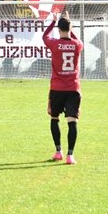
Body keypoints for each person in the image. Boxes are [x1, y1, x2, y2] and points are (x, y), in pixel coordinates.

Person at [43, 13, 83, 165]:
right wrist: (69, 25)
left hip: (57, 88)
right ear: (71, 28)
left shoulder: (54, 44)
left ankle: (58, 151)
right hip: (73, 88)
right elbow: (77, 39)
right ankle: (70, 155)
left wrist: (53, 22)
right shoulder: (78, 45)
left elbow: (45, 36)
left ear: (59, 29)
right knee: (72, 121)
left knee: (55, 118)